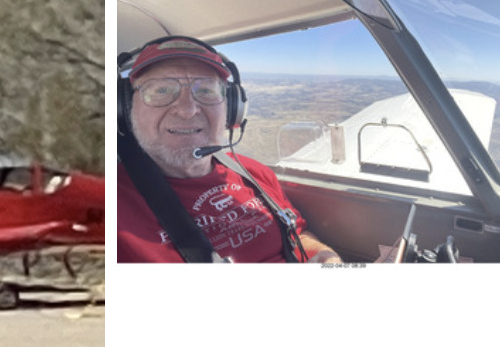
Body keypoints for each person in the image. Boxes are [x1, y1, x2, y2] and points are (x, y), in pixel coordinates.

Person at [115, 37, 343, 263]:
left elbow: (297, 236)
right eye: (162, 90)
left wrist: (325, 257)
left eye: (206, 90)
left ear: (232, 108)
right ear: (125, 107)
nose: (187, 110)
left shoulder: (253, 172)